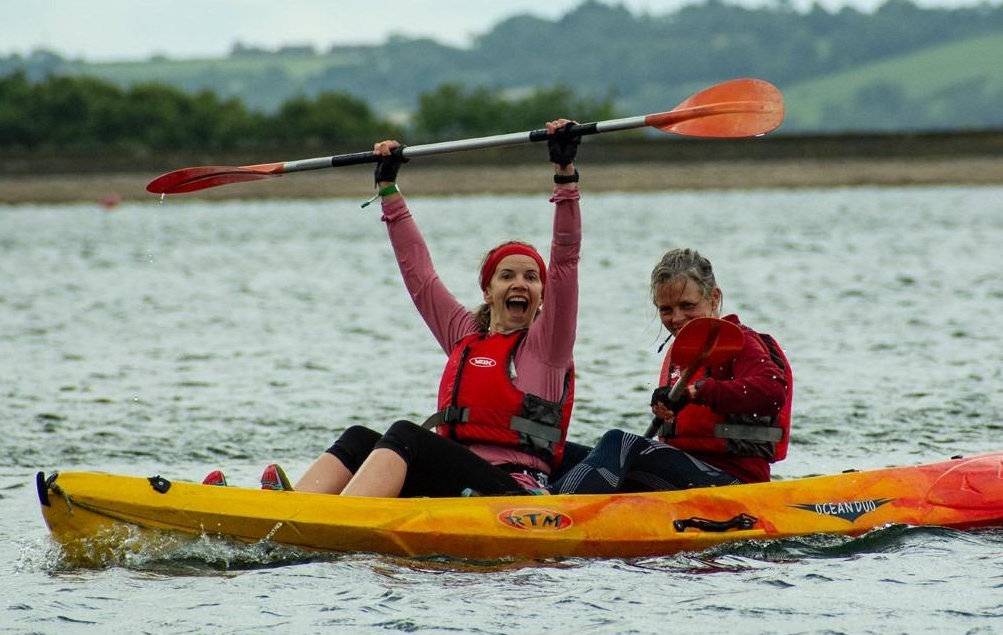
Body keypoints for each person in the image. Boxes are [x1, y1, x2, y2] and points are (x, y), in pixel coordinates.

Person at [275, 120, 582, 498]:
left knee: (406, 434)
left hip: (513, 492)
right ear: (488, 290)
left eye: (532, 278)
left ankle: (338, 517)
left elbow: (565, 259)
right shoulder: (465, 335)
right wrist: (389, 191)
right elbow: (418, 274)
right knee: (358, 440)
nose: (520, 284)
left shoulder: (549, 346)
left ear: (541, 294)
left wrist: (565, 177)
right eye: (507, 276)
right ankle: (290, 506)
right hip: (456, 485)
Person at [551, 248, 791, 493]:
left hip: (734, 484)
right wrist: (665, 402)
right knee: (559, 453)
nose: (676, 318)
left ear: (714, 298)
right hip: (681, 477)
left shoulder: (741, 343)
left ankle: (550, 512)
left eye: (687, 305)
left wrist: (697, 392)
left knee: (619, 443)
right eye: (666, 309)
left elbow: (772, 391)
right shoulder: (684, 353)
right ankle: (522, 497)